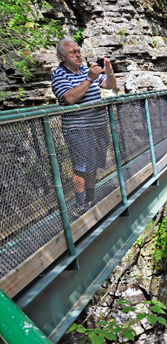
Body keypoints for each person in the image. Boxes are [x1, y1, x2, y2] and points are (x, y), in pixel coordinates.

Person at [51, 38, 117, 215]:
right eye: (73, 52)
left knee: (93, 164)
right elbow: (70, 98)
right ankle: (80, 206)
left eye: (78, 51)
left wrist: (109, 72)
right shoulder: (59, 74)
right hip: (77, 128)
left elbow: (109, 85)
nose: (78, 55)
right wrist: (90, 78)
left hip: (97, 126)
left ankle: (90, 199)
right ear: (62, 57)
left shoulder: (87, 71)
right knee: (80, 167)